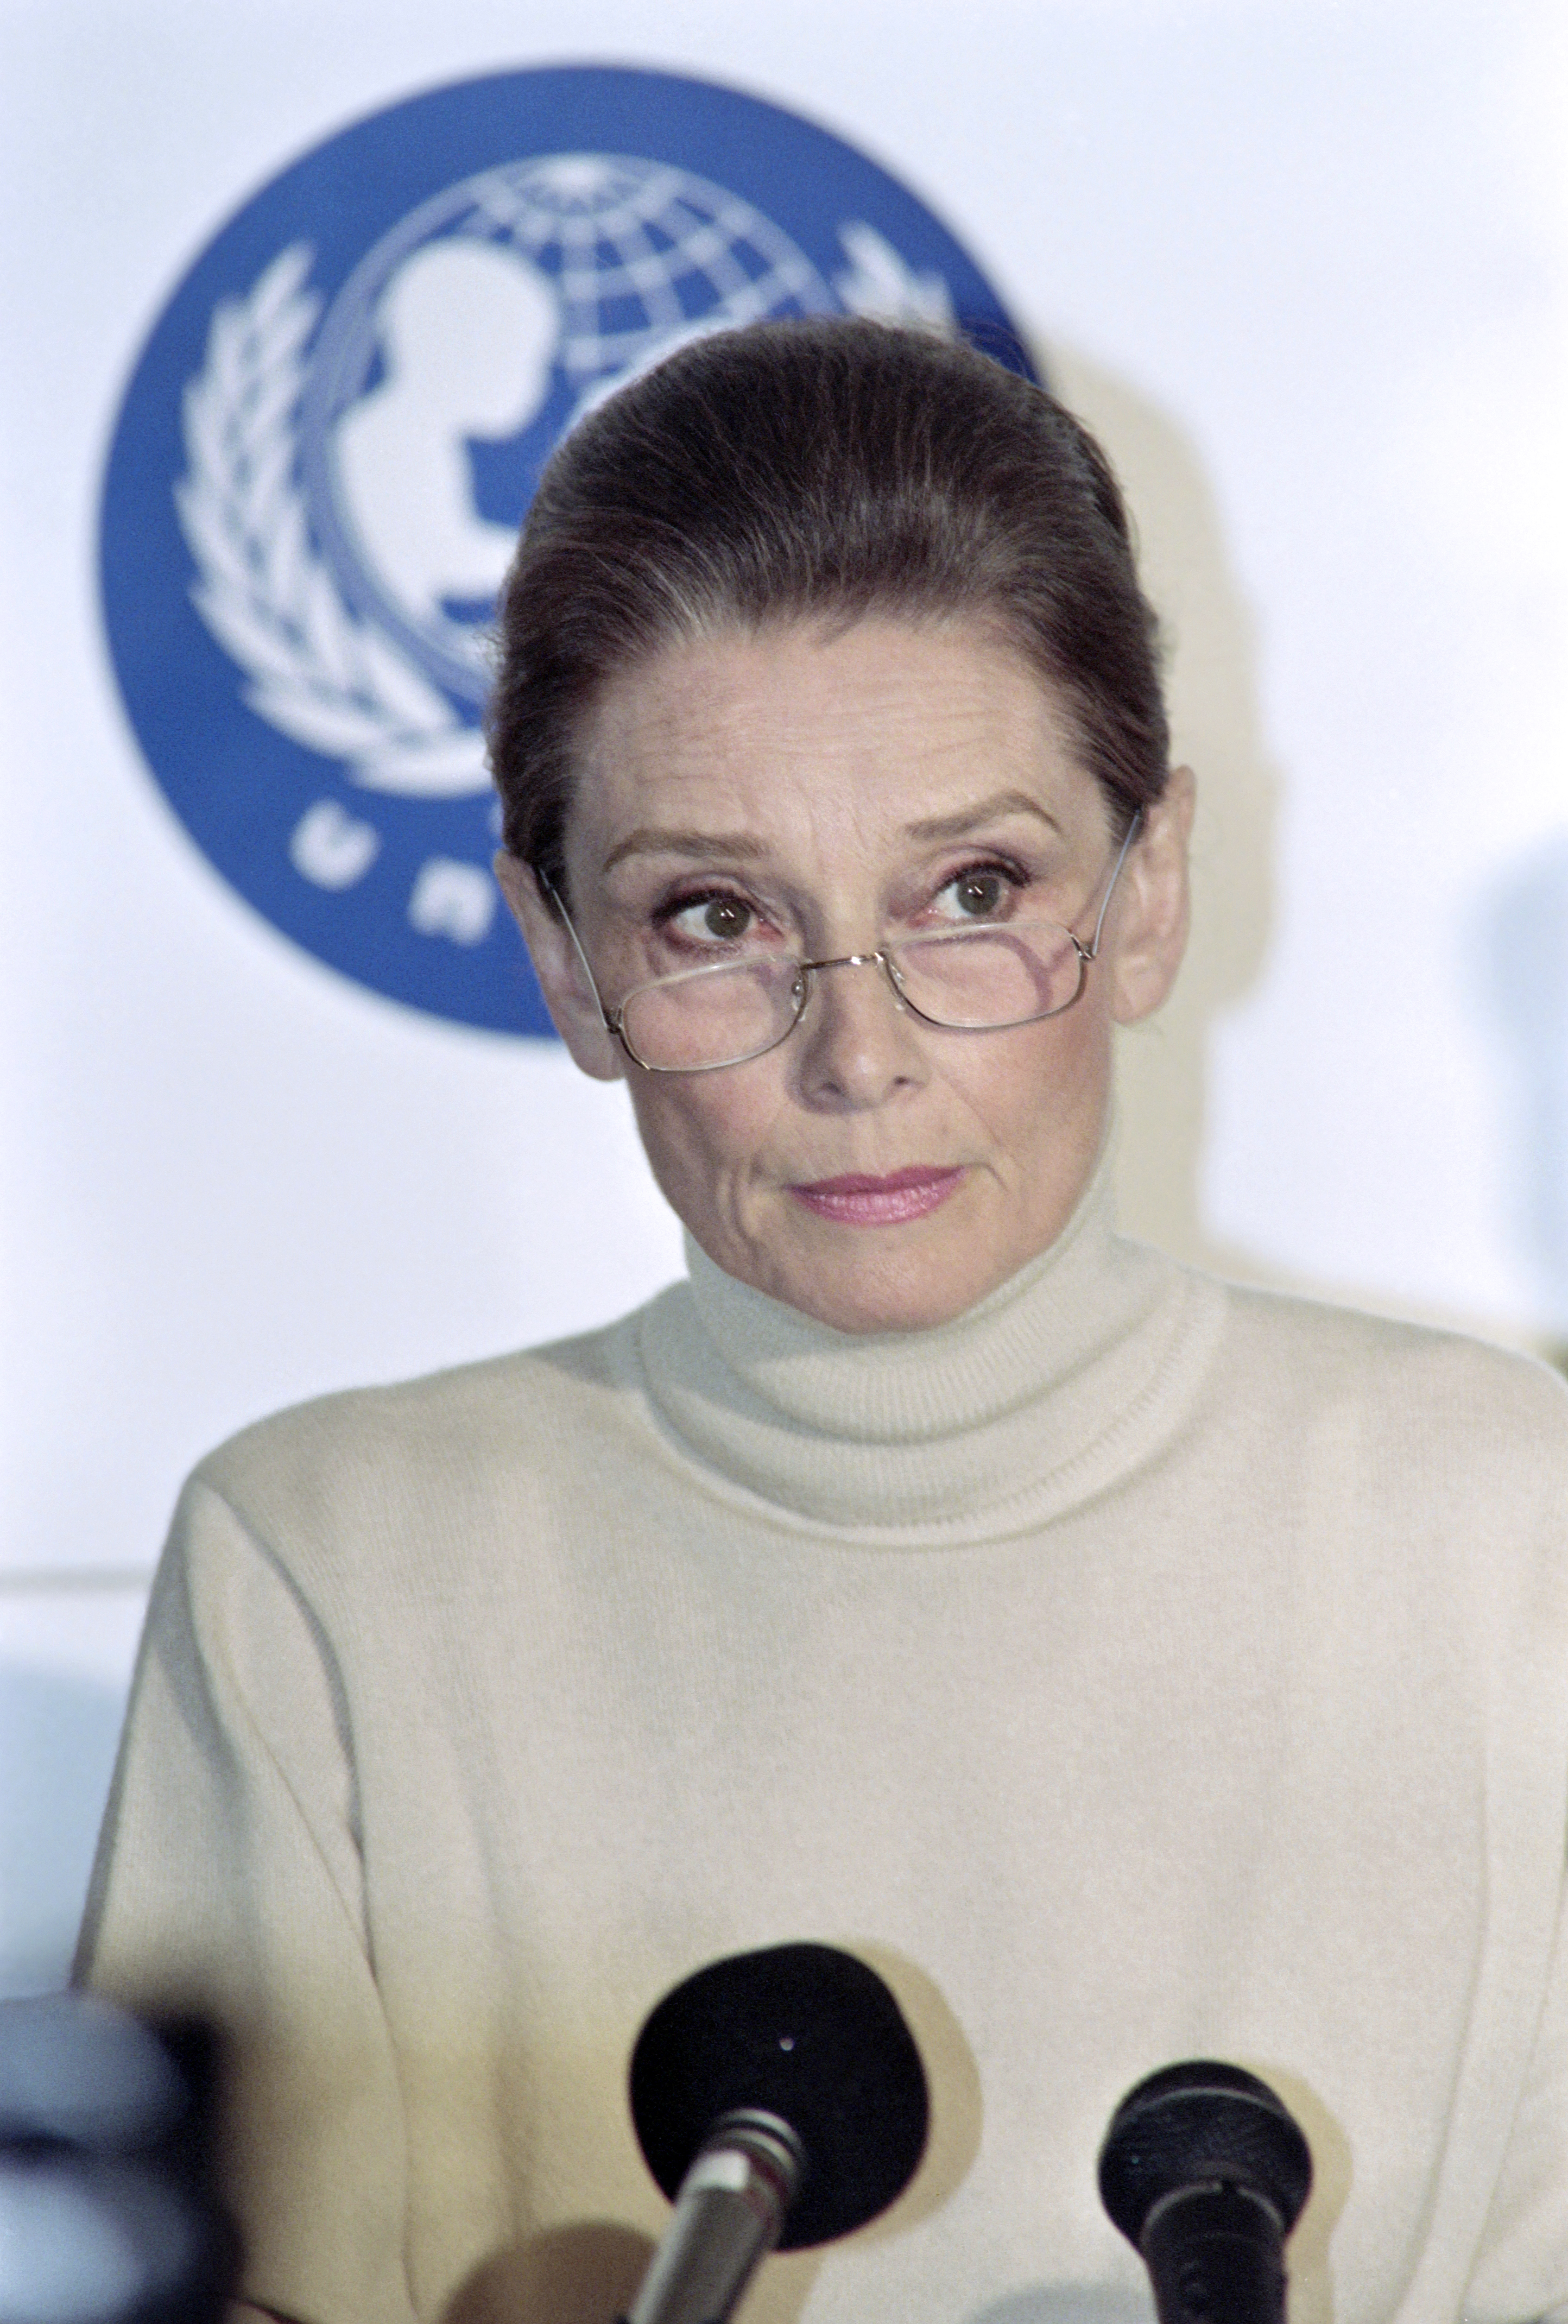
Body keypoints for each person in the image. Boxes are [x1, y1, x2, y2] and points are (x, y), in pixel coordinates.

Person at [77, 319, 1568, 2324]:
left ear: (1146, 896)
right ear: (565, 963)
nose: (857, 1053)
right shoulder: (332, 1570)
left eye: (972, 886)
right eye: (717, 918)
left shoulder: (1505, 1526)